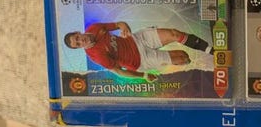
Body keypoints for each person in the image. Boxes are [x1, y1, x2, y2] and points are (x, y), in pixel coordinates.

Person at [64, 21, 212, 81]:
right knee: (184, 57)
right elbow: (119, 71)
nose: (81, 41)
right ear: (79, 48)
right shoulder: (96, 56)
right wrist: (144, 75)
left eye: (77, 38)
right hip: (141, 59)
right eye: (78, 44)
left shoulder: (94, 28)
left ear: (78, 32)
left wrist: (124, 28)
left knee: (174, 33)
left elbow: (119, 24)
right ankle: (185, 61)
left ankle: (211, 50)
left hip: (137, 39)